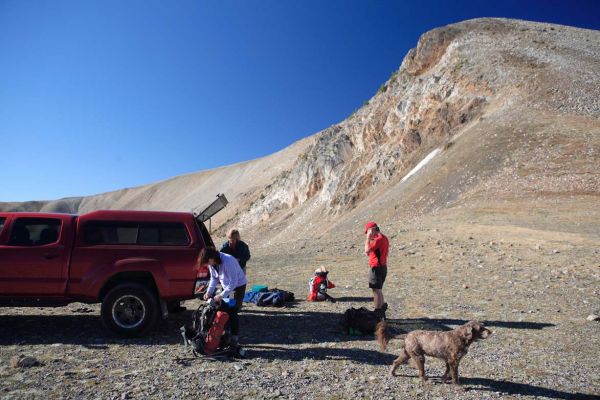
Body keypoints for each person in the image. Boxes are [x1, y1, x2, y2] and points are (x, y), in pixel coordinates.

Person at [199, 247, 247, 345]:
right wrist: (209, 292)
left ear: (212, 258)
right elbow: (214, 278)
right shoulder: (212, 264)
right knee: (223, 309)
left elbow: (234, 281)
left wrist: (221, 295)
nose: (208, 265)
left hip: (238, 286)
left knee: (233, 311)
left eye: (208, 262)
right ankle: (224, 333)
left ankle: (234, 337)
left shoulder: (228, 260)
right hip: (226, 287)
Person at [363, 221, 389, 318]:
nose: (368, 234)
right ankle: (381, 310)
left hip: (377, 267)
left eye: (368, 232)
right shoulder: (384, 238)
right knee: (379, 289)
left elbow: (366, 250)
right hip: (382, 267)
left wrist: (368, 239)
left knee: (376, 290)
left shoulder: (378, 239)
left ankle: (377, 312)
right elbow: (369, 252)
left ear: (373, 230)